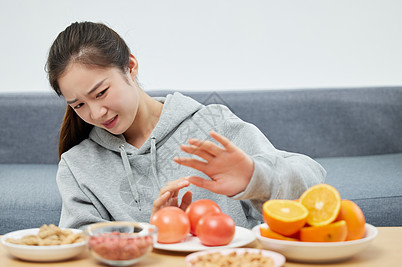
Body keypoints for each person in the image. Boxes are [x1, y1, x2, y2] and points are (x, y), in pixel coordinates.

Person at [46, 21, 326, 230]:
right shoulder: (77, 165)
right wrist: (153, 233)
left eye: (101, 93)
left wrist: (255, 179)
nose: (96, 113)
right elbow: (80, 250)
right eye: (78, 105)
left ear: (130, 67)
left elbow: (314, 188)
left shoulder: (211, 124)